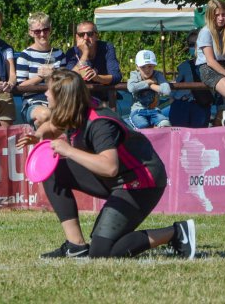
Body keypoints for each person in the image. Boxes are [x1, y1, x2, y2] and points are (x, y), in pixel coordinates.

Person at [17, 69, 197, 259]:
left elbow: (109, 167)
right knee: (54, 172)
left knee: (102, 252)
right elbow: (52, 126)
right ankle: (75, 246)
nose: (45, 94)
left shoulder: (100, 124)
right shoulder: (74, 109)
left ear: (63, 97)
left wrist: (68, 150)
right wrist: (37, 136)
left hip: (141, 182)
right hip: (117, 179)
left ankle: (176, 232)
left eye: (49, 90)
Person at [16, 12, 66, 127]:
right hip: (32, 103)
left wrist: (53, 75)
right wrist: (40, 77)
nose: (42, 34)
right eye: (37, 31)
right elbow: (20, 86)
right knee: (46, 115)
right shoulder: (25, 56)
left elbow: (65, 83)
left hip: (57, 102)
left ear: (50, 29)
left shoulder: (59, 54)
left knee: (44, 121)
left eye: (45, 30)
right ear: (30, 32)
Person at [65, 21, 122, 106]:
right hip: (80, 100)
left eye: (90, 34)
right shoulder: (72, 52)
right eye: (81, 35)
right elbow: (70, 78)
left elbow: (116, 76)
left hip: (104, 100)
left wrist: (97, 78)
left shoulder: (106, 48)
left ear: (96, 36)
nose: (85, 38)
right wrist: (85, 54)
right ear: (77, 37)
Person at [169, 30, 215, 128]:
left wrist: (220, 108)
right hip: (181, 106)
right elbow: (176, 85)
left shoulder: (213, 65)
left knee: (198, 139)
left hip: (201, 106)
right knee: (179, 138)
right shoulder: (184, 66)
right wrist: (172, 100)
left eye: (197, 44)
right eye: (191, 44)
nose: (194, 47)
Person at [127, 50, 172, 129]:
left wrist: (150, 85)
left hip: (154, 110)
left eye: (150, 66)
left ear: (154, 66)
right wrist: (148, 82)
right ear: (137, 67)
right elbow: (131, 87)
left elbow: (166, 90)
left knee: (165, 124)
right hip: (138, 111)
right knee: (142, 125)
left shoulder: (157, 74)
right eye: (143, 67)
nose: (147, 70)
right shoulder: (134, 74)